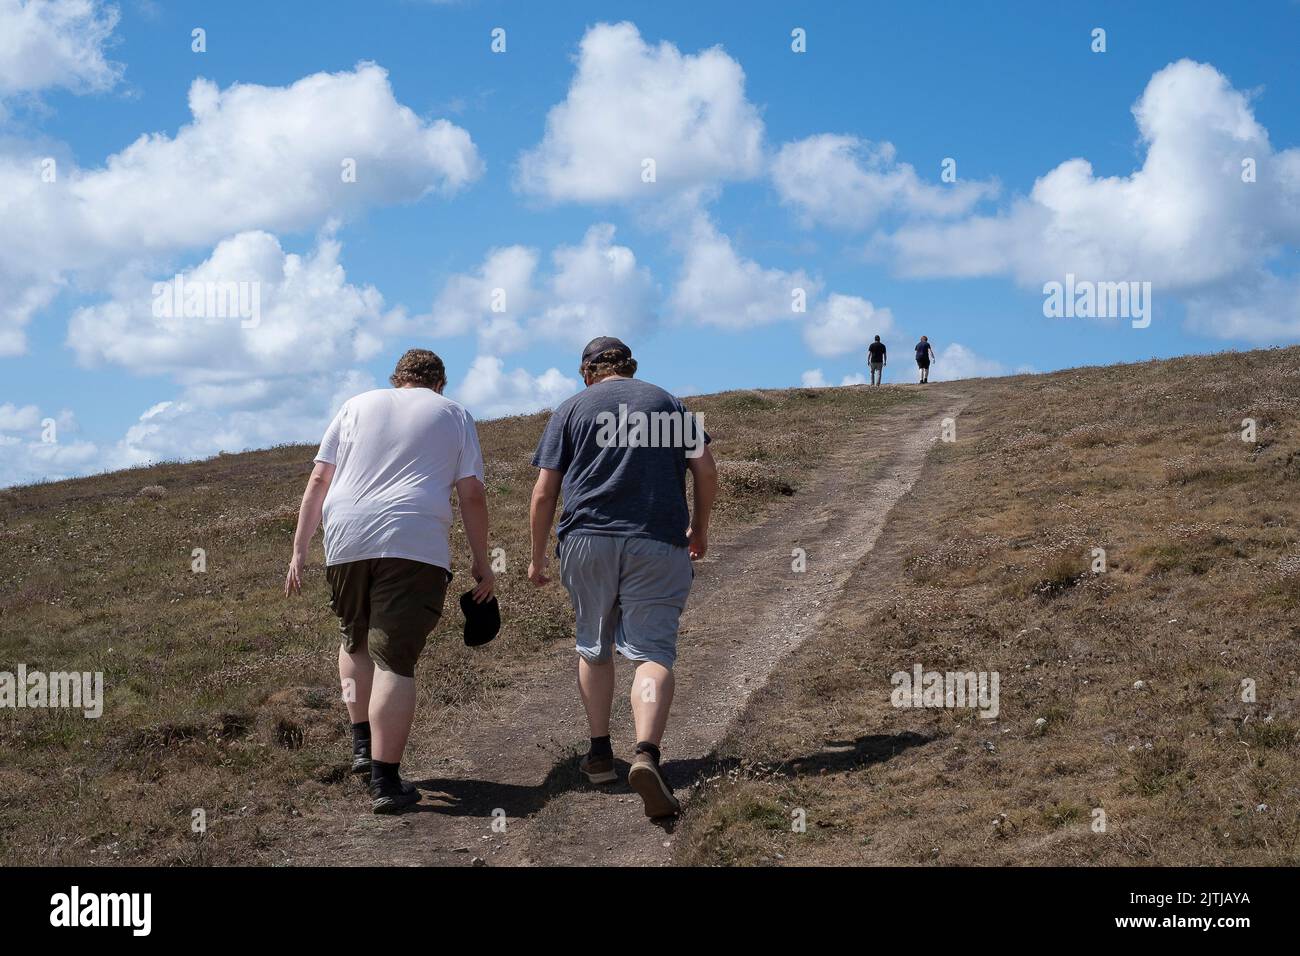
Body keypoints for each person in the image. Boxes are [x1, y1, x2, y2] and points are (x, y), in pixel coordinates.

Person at [284, 349, 494, 814]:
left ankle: (362, 744)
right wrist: (482, 561)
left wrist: (300, 548)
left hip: (346, 538)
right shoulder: (454, 414)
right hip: (412, 541)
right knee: (394, 660)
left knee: (355, 641)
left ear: (397, 379)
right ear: (439, 383)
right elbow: (472, 494)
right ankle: (386, 781)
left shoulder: (356, 404)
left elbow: (319, 478)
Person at [528, 336, 718, 819]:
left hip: (587, 540)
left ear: (587, 370)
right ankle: (646, 754)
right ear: (631, 367)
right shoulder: (670, 404)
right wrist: (699, 528)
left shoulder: (571, 409)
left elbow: (544, 492)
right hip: (657, 539)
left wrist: (536, 557)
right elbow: (706, 472)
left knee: (594, 645)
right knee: (652, 653)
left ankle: (597, 754)